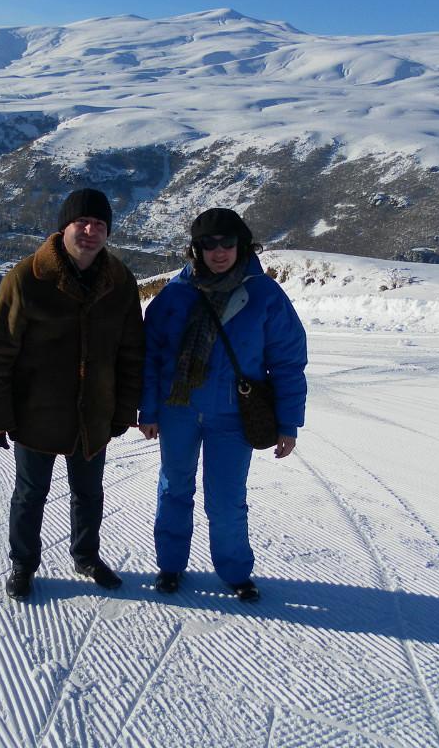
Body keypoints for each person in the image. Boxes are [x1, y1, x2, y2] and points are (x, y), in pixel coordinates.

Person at [0, 188, 145, 601]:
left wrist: (123, 410)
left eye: (99, 225)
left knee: (89, 492)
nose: (90, 231)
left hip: (94, 414)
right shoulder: (27, 277)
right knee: (31, 493)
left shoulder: (120, 281)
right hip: (36, 412)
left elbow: (131, 352)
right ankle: (23, 564)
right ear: (64, 227)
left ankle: (86, 557)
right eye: (82, 223)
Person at [138, 208, 307, 601]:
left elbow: (287, 362)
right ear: (195, 249)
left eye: (227, 243)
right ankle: (170, 566)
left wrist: (288, 423)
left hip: (233, 415)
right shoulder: (175, 294)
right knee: (174, 488)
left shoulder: (264, 295)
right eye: (208, 244)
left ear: (242, 245)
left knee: (227, 499)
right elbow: (152, 355)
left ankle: (234, 572)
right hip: (177, 410)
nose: (218, 252)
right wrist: (148, 410)